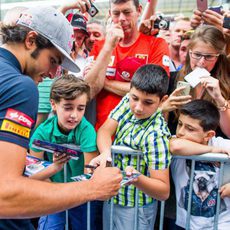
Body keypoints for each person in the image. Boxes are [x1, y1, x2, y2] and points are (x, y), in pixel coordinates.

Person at [0, 6, 122, 229]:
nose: (53, 74)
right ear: (30, 40)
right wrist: (93, 188)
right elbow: (4, 194)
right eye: (54, 60)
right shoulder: (21, 87)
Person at [90, 64, 171, 230]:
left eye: (148, 102)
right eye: (134, 98)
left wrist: (136, 178)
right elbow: (105, 130)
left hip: (136, 208)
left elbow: (163, 190)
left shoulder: (156, 134)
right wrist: (106, 153)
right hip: (113, 197)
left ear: (162, 101)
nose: (138, 107)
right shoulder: (127, 103)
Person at [86, 0, 170, 130]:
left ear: (139, 11)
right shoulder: (100, 46)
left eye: (127, 12)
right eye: (116, 13)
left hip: (141, 135)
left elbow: (154, 91)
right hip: (103, 135)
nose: (121, 19)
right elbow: (88, 91)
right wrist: (108, 47)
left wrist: (105, 82)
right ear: (110, 14)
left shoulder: (157, 44)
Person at [29, 74, 98, 230]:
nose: (74, 115)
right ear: (53, 104)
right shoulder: (42, 132)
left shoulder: (87, 131)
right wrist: (55, 188)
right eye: (68, 107)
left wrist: (72, 194)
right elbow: (34, 174)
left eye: (81, 108)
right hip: (52, 194)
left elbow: (90, 173)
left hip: (82, 197)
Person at [170, 99, 230, 229]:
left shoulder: (223, 144)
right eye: (180, 124)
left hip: (221, 224)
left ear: (209, 135)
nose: (180, 132)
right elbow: (175, 146)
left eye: (189, 128)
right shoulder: (177, 141)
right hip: (186, 224)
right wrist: (214, 152)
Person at [161, 25, 230, 138]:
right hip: (177, 150)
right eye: (197, 55)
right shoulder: (171, 79)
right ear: (189, 52)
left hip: (211, 153)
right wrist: (164, 108)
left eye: (209, 56)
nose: (202, 62)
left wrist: (220, 100)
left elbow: (229, 132)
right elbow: (158, 126)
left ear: (217, 57)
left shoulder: (226, 84)